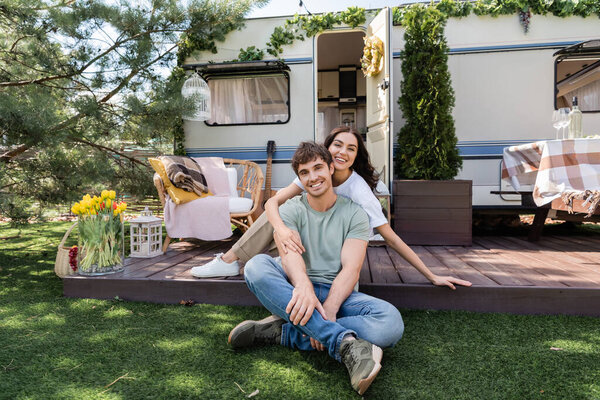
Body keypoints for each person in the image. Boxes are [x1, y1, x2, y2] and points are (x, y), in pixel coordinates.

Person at [191, 126, 472, 290]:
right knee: (283, 211)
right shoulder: (315, 170)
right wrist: (281, 229)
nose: (342, 152)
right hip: (303, 240)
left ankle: (247, 262)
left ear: (355, 157)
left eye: (351, 149)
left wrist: (431, 275)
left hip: (334, 257)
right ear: (327, 149)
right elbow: (272, 202)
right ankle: (230, 262)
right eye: (338, 144)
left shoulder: (359, 190)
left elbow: (390, 236)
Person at [228, 142, 404, 395]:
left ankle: (283, 332)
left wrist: (330, 309)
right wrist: (303, 286)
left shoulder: (355, 214)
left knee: (391, 323)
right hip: (297, 290)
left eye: (318, 168)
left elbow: (351, 269)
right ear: (299, 178)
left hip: (340, 295)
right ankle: (345, 344)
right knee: (256, 266)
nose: (313, 178)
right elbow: (290, 257)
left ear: (332, 168)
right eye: (304, 173)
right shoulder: (290, 209)